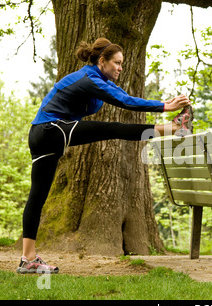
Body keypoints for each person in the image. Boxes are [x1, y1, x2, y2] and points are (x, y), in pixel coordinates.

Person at [17, 37, 193, 274]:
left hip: (41, 134)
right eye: (117, 63)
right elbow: (126, 101)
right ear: (102, 61)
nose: (120, 68)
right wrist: (164, 106)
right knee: (113, 129)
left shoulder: (97, 80)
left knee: (37, 197)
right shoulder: (90, 79)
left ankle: (28, 259)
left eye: (122, 64)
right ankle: (173, 129)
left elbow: (119, 96)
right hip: (52, 129)